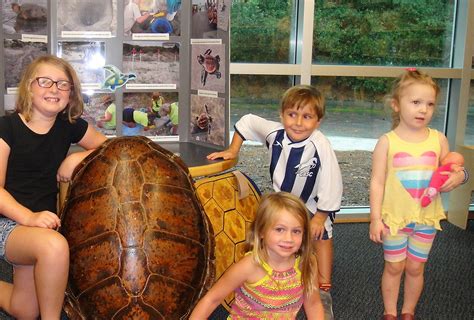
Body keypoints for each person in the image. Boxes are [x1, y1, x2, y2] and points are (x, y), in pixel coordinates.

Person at [207, 85, 343, 315]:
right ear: (282, 115)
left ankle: (323, 289)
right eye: (292, 115)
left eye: (307, 117)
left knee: (322, 236)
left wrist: (321, 216)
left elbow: (332, 179)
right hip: (283, 202)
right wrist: (233, 150)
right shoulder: (275, 133)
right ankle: (268, 271)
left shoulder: (320, 145)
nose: (298, 122)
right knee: (276, 232)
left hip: (312, 203)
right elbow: (248, 122)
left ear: (318, 121)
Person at [0, 55, 107, 319]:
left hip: (41, 227)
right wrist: (29, 217)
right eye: (45, 81)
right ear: (29, 87)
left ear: (70, 95)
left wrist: (76, 158)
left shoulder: (69, 126)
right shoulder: (6, 127)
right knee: (55, 247)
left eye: (62, 84)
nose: (54, 89)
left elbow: (109, 147)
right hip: (8, 222)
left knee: (24, 311)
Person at [369, 69, 468, 320]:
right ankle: (390, 312)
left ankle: (408, 311)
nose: (423, 109)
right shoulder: (387, 142)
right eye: (415, 102)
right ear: (396, 105)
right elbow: (377, 182)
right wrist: (375, 218)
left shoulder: (438, 139)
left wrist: (461, 176)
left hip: (426, 219)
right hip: (395, 219)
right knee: (394, 266)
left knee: (415, 267)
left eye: (430, 104)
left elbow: (452, 168)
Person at [189, 192, 325, 319]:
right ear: (261, 231)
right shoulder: (249, 266)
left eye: (296, 231)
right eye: (279, 229)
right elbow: (212, 299)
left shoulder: (307, 262)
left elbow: (313, 304)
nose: (288, 238)